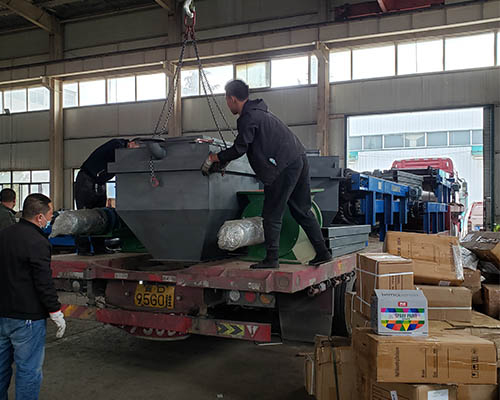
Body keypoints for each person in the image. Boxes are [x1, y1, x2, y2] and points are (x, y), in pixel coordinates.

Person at [202, 79, 332, 269]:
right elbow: (246, 145)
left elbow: (239, 148)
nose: (227, 104)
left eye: (226, 100)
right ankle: (323, 253)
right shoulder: (261, 113)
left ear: (232, 99)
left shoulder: (248, 117)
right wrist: (225, 160)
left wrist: (214, 157)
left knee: (271, 214)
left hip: (282, 166)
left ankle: (272, 259)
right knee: (302, 210)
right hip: (298, 158)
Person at [0, 193, 66, 400]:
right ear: (39, 217)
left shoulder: (4, 235)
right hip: (27, 319)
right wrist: (55, 311)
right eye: (50, 215)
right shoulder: (38, 242)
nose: (51, 219)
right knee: (28, 370)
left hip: (2, 313)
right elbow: (43, 282)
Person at [74, 138, 138, 255]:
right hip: (86, 180)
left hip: (99, 182)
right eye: (136, 150)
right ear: (132, 143)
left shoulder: (121, 151)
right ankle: (83, 249)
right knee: (83, 215)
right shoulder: (117, 145)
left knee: (100, 216)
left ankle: (99, 248)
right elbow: (123, 161)